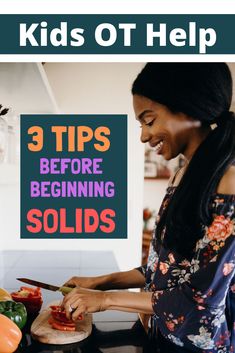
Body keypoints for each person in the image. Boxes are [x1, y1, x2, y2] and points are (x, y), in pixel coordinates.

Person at [62, 63, 235, 353]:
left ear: (189, 108)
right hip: (158, 336)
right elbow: (166, 266)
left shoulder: (229, 184)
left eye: (149, 120)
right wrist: (99, 282)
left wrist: (106, 299)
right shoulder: (183, 174)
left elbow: (199, 301)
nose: (144, 135)